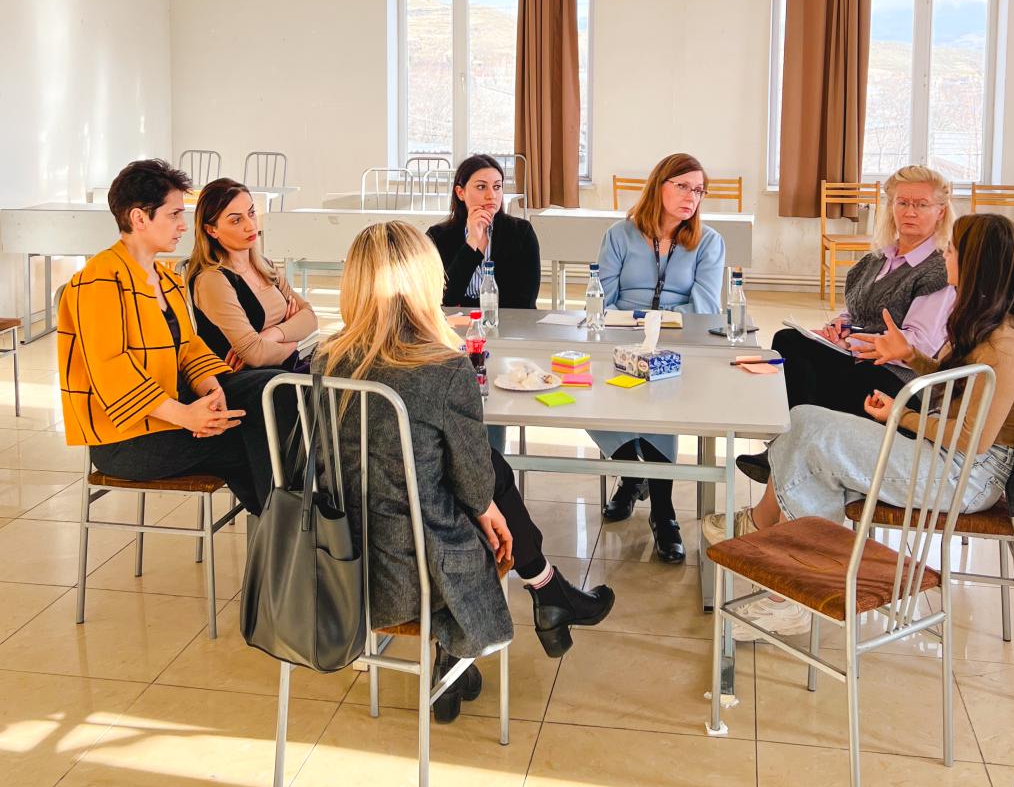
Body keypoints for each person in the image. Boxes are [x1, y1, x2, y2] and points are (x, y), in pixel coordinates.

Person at [317, 221, 614, 723]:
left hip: (339, 560)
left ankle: (530, 607)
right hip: (420, 576)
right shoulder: (443, 368)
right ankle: (528, 602)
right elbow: (474, 484)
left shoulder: (325, 360)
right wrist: (486, 508)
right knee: (485, 484)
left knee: (469, 480)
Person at [715, 213, 1014, 635]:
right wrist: (909, 356)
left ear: (978, 263)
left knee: (811, 435)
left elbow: (972, 441)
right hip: (948, 455)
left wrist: (900, 414)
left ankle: (793, 582)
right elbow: (954, 389)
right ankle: (801, 587)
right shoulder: (984, 319)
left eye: (953, 249)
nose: (946, 255)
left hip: (966, 475)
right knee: (806, 427)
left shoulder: (1005, 343)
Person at [57, 159, 290, 515]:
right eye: (175, 214)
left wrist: (213, 395)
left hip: (171, 414)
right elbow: (111, 368)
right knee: (262, 441)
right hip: (127, 440)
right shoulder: (99, 278)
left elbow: (190, 350)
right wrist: (186, 417)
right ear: (139, 218)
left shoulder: (166, 279)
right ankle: (289, 538)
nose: (184, 225)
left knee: (279, 388)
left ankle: (287, 534)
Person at [731, 165, 956, 491]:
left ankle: (784, 452)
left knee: (802, 360)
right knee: (789, 342)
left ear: (940, 211)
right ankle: (786, 448)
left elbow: (917, 344)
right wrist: (838, 327)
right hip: (859, 360)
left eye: (921, 204)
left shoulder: (938, 269)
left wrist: (851, 341)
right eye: (902, 203)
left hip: (896, 383)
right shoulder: (880, 258)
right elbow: (856, 309)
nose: (909, 212)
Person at [592, 153, 727, 564]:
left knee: (661, 401)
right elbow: (601, 297)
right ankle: (633, 475)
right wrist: (629, 324)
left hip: (678, 340)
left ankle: (663, 511)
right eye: (682, 186)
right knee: (586, 394)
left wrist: (656, 322)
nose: (691, 197)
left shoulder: (709, 242)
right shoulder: (619, 234)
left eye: (698, 190)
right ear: (659, 186)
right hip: (618, 335)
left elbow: (704, 307)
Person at [187, 178, 318, 372]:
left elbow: (310, 319)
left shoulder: (265, 266)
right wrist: (293, 337)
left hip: (285, 371)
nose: (250, 226)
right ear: (211, 230)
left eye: (251, 213)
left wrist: (272, 334)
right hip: (252, 384)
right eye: (236, 220)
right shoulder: (212, 280)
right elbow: (255, 354)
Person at [426, 154, 541, 310]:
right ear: (460, 193)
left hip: (509, 324)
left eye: (497, 187)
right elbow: (445, 298)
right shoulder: (437, 236)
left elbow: (524, 301)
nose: (491, 195)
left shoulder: (521, 232)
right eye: (481, 187)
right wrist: (472, 242)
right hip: (454, 326)